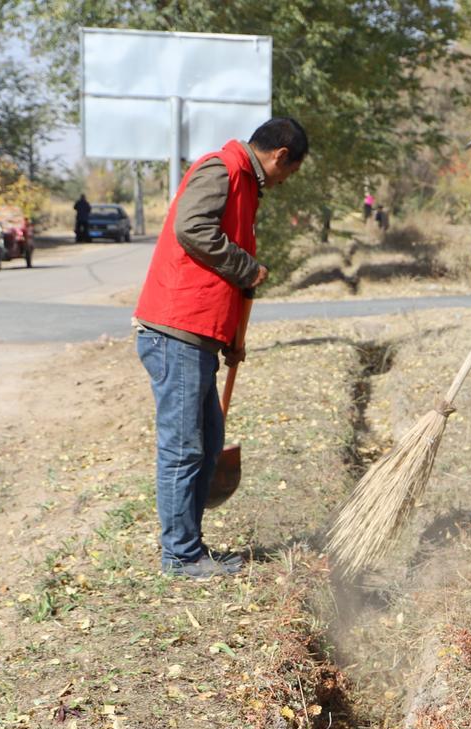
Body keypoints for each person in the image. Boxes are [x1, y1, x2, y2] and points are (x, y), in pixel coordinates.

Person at [132, 117, 309, 578]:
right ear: (281, 155)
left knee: (207, 442)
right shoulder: (223, 169)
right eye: (289, 173)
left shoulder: (246, 183)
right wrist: (245, 266)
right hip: (176, 331)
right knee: (183, 447)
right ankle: (180, 555)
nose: (285, 182)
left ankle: (190, 545)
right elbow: (192, 228)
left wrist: (230, 337)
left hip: (199, 334)